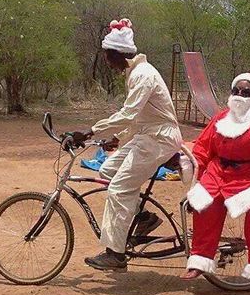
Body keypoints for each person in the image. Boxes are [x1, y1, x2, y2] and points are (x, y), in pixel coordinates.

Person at [72, 19, 183, 271]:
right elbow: (137, 117)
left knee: (120, 188)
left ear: (117, 54)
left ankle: (115, 254)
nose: (108, 64)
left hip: (159, 139)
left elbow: (129, 114)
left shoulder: (143, 75)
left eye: (108, 58)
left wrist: (90, 131)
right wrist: (119, 138)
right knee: (107, 171)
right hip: (147, 136)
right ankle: (144, 218)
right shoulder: (135, 73)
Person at [181, 73, 250, 293]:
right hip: (218, 172)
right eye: (236, 91)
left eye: (246, 92)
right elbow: (203, 147)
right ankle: (200, 260)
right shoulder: (220, 119)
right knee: (205, 203)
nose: (240, 95)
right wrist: (189, 162)